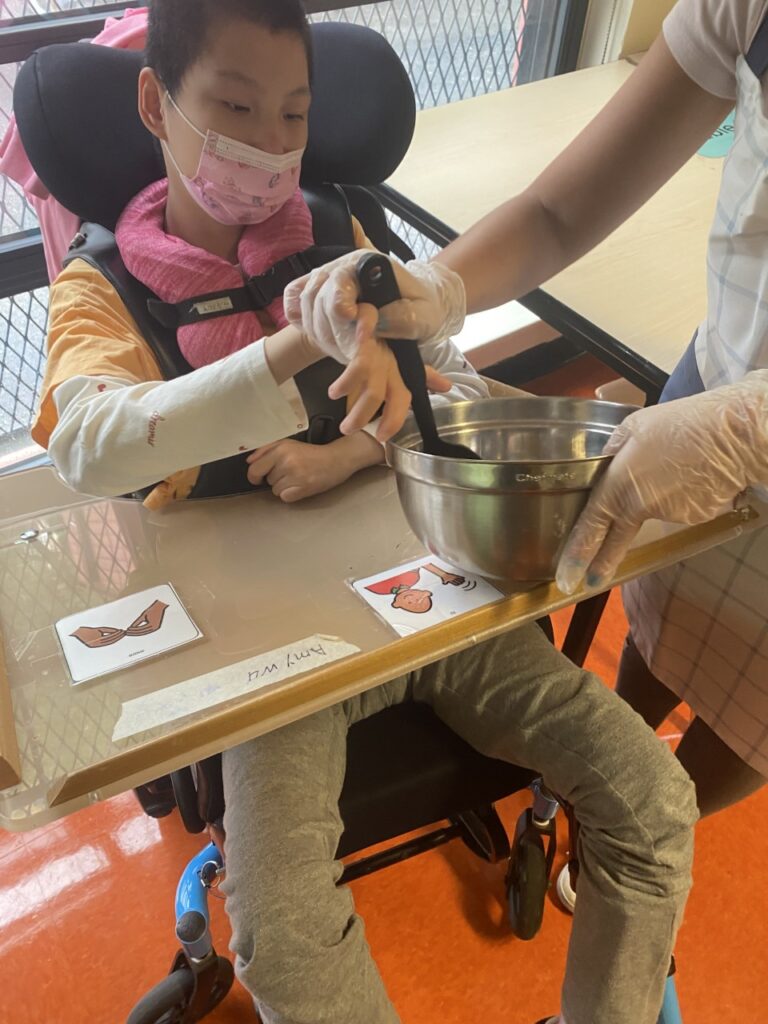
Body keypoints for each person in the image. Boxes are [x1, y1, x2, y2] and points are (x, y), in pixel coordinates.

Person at [26, 3, 698, 1023]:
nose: (270, 145)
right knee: (285, 940)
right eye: (237, 108)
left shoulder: (343, 237)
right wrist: (290, 352)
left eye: (294, 113)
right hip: (268, 658)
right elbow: (91, 443)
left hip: (420, 589)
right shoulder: (100, 291)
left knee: (654, 801)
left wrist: (357, 442)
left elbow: (461, 395)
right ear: (156, 103)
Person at [286, 0, 768, 823]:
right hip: (715, 375)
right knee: (662, 620)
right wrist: (438, 282)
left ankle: (643, 826)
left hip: (726, 423)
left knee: (747, 719)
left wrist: (750, 427)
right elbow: (558, 211)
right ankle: (587, 795)